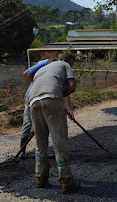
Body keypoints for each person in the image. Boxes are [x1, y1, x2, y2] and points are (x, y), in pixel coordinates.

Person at [28, 52, 80, 194]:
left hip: (33, 102)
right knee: (59, 142)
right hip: (52, 98)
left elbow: (34, 93)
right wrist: (58, 98)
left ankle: (40, 179)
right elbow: (72, 86)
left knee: (40, 143)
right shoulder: (64, 65)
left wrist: (33, 125)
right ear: (69, 61)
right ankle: (67, 182)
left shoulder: (41, 70)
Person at [19, 58, 57, 160]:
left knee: (43, 124)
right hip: (32, 95)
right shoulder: (44, 63)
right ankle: (22, 152)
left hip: (44, 97)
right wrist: (36, 83)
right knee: (28, 123)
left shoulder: (58, 69)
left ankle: (43, 152)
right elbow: (27, 72)